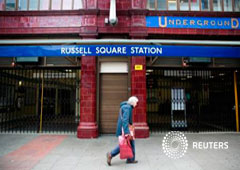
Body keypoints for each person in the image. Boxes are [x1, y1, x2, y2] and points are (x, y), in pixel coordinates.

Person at [106, 96, 139, 166]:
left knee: (130, 143)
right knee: (124, 144)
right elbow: (125, 120)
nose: (136, 104)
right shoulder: (128, 108)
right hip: (126, 129)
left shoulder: (126, 107)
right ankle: (111, 154)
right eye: (136, 102)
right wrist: (127, 132)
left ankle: (131, 159)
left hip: (126, 128)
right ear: (133, 103)